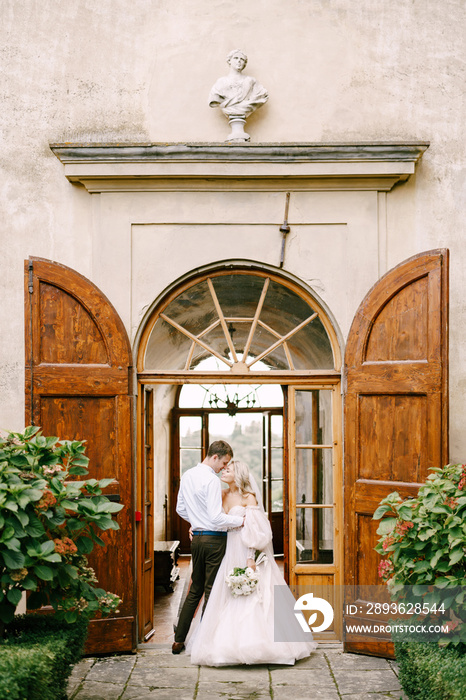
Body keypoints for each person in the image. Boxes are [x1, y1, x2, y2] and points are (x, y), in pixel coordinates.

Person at [186, 460, 317, 666]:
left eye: (227, 470)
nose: (223, 472)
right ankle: (226, 645)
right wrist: (195, 526)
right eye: (224, 468)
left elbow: (255, 530)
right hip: (227, 549)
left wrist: (250, 557)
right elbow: (211, 517)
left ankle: (260, 644)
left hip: (244, 548)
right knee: (226, 591)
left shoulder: (249, 497)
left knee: (255, 593)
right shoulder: (220, 494)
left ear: (237, 474)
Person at [172, 441, 244, 654]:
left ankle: (178, 640)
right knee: (212, 591)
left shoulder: (187, 475)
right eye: (224, 462)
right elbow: (215, 516)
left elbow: (180, 509)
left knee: (195, 590)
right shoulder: (212, 480)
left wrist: (195, 522)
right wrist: (240, 521)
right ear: (215, 457)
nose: (224, 467)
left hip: (197, 540)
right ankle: (204, 642)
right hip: (214, 540)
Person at [208, 49, 268, 119]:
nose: (239, 61)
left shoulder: (251, 81)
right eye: (236, 58)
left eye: (242, 59)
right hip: (229, 110)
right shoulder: (221, 82)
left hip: (243, 110)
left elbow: (263, 96)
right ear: (229, 61)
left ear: (244, 63)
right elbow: (215, 98)